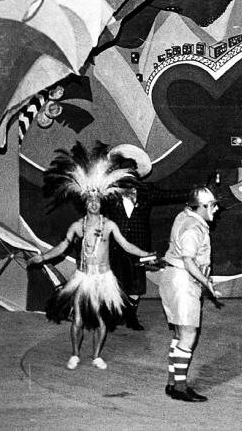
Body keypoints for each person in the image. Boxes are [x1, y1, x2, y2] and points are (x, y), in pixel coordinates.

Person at [29, 142, 156, 371]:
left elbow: (126, 245)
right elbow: (62, 247)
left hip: (104, 278)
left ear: (102, 203)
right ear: (86, 204)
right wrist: (43, 258)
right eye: (91, 201)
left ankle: (97, 355)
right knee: (78, 318)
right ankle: (75, 354)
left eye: (98, 201)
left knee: (100, 319)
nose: (95, 203)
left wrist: (146, 254)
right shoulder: (78, 226)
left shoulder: (109, 225)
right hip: (83, 277)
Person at [106, 144, 213, 331]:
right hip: (114, 245)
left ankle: (131, 317)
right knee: (115, 280)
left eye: (132, 172)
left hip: (139, 244)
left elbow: (172, 195)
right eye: (124, 171)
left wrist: (199, 193)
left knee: (136, 284)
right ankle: (114, 316)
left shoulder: (147, 191)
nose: (129, 176)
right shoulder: (109, 193)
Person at [158, 186, 222, 402]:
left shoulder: (184, 215)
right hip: (182, 282)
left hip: (172, 278)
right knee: (188, 334)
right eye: (212, 205)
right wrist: (207, 283)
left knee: (179, 334)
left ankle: (172, 382)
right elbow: (188, 260)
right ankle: (181, 388)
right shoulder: (194, 228)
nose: (216, 208)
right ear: (201, 206)